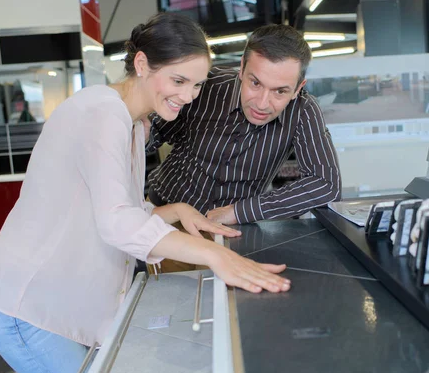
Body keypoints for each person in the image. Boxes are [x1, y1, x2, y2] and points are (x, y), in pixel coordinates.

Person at [0, 13, 290, 373]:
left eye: (196, 85)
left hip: (58, 299)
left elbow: (120, 207)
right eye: (178, 81)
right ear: (142, 64)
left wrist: (175, 211)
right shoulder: (102, 112)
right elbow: (117, 222)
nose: (187, 96)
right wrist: (216, 256)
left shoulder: (135, 123)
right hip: (28, 303)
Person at [146, 24, 341, 226]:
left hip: (229, 228)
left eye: (280, 91)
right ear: (241, 68)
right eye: (255, 83)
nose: (262, 103)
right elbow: (155, 131)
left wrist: (239, 212)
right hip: (163, 212)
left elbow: (326, 185)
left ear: (298, 88)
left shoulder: (303, 110)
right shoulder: (207, 86)